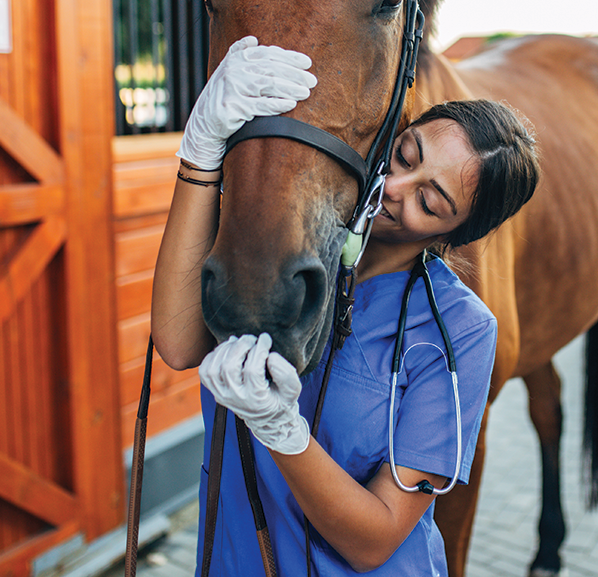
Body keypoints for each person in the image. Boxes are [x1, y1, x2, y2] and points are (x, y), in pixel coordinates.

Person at [150, 36, 540, 575]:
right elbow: (175, 340)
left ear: (456, 232)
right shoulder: (281, 246)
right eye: (405, 154)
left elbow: (375, 540)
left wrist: (283, 431)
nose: (396, 186)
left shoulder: (461, 334)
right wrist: (201, 149)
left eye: (430, 201)